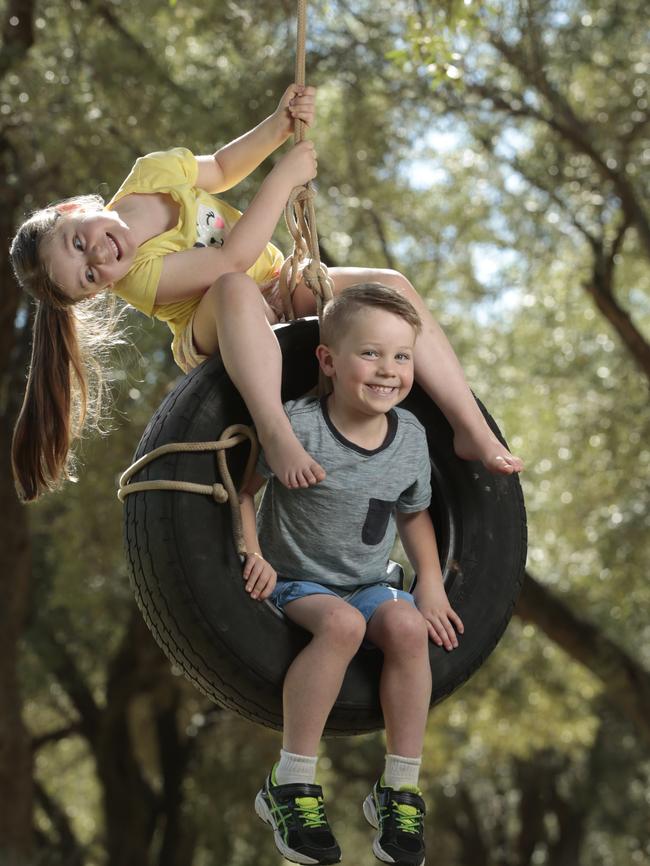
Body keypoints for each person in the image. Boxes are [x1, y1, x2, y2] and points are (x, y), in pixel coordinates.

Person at [9, 83, 522, 503]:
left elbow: (225, 168)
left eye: (80, 244)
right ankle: (276, 433)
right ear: (99, 293)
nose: (100, 259)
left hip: (276, 281)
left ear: (76, 211)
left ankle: (468, 425)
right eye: (89, 277)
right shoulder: (138, 276)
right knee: (234, 286)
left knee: (391, 288)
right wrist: (284, 177)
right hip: (218, 323)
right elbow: (229, 262)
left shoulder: (151, 173)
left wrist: (278, 126)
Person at [239, 284, 464, 866]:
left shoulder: (410, 438)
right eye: (371, 354)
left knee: (409, 629)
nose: (388, 371)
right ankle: (289, 782)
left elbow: (412, 514)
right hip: (296, 582)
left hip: (368, 581)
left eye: (402, 356)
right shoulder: (297, 427)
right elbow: (241, 492)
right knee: (340, 627)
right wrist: (251, 551)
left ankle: (399, 789)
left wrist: (429, 582)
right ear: (328, 360)